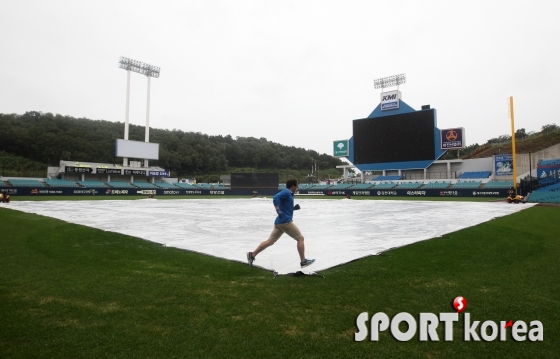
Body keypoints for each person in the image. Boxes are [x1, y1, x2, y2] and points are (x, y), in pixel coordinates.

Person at [247, 179, 315, 269]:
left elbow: (285, 207)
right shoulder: (287, 192)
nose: (297, 188)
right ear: (293, 186)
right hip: (285, 222)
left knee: (270, 241)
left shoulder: (289, 194)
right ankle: (303, 261)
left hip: (279, 223)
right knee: (300, 238)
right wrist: (277, 209)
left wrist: (293, 208)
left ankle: (252, 254)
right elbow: (275, 198)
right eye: (296, 186)